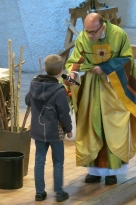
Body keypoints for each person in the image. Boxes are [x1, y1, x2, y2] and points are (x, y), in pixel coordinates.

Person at [65, 13, 136, 185]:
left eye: (93, 32)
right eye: (87, 32)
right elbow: (75, 60)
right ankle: (94, 172)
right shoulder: (84, 36)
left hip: (113, 89)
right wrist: (74, 72)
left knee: (112, 129)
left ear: (102, 26)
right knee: (91, 126)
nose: (90, 36)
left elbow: (128, 60)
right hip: (91, 90)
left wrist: (105, 68)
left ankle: (112, 172)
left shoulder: (118, 35)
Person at [25, 54, 72, 202]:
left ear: (45, 68)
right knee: (58, 162)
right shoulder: (59, 90)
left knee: (39, 160)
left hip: (38, 130)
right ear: (60, 70)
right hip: (54, 132)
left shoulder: (34, 84)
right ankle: (59, 193)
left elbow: (27, 100)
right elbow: (64, 113)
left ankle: (39, 192)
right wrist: (69, 128)